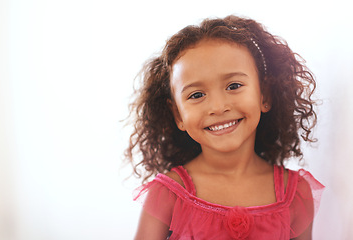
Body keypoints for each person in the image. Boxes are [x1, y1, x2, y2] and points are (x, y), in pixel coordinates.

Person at [126, 15, 325, 240]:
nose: (218, 107)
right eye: (197, 95)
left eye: (234, 86)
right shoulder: (167, 195)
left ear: (264, 94)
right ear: (178, 115)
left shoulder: (296, 193)